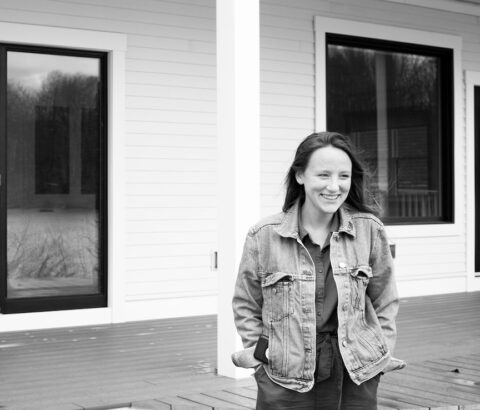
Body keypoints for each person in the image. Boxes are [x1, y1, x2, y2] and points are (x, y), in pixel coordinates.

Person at [231, 132, 405, 409]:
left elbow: (385, 300)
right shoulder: (263, 235)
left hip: (356, 371)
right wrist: (259, 359)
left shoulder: (370, 230)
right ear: (300, 175)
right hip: (283, 373)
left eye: (343, 176)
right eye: (323, 175)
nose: (334, 186)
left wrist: (380, 355)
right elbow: (246, 303)